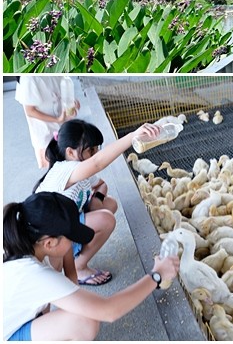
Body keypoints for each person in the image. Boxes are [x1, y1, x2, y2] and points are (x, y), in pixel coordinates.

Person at [3, 192, 179, 341]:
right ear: (49, 243)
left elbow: (70, 279)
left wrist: (66, 249)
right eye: (70, 237)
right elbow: (109, 311)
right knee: (85, 320)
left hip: (14, 321)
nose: (74, 241)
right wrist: (156, 276)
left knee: (79, 310)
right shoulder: (35, 275)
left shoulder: (27, 244)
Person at [34, 119, 160, 286]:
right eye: (91, 150)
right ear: (70, 152)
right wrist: (132, 136)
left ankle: (72, 265)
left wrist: (97, 201)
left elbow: (101, 184)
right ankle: (77, 268)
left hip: (66, 223)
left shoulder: (78, 166)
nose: (95, 154)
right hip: (52, 236)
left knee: (109, 205)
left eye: (96, 149)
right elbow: (97, 163)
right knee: (105, 219)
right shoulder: (65, 169)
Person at [15, 76, 80, 169]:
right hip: (45, 134)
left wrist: (73, 102)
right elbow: (30, 111)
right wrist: (58, 119)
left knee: (70, 166)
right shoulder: (29, 78)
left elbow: (64, 92)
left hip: (63, 129)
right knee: (56, 170)